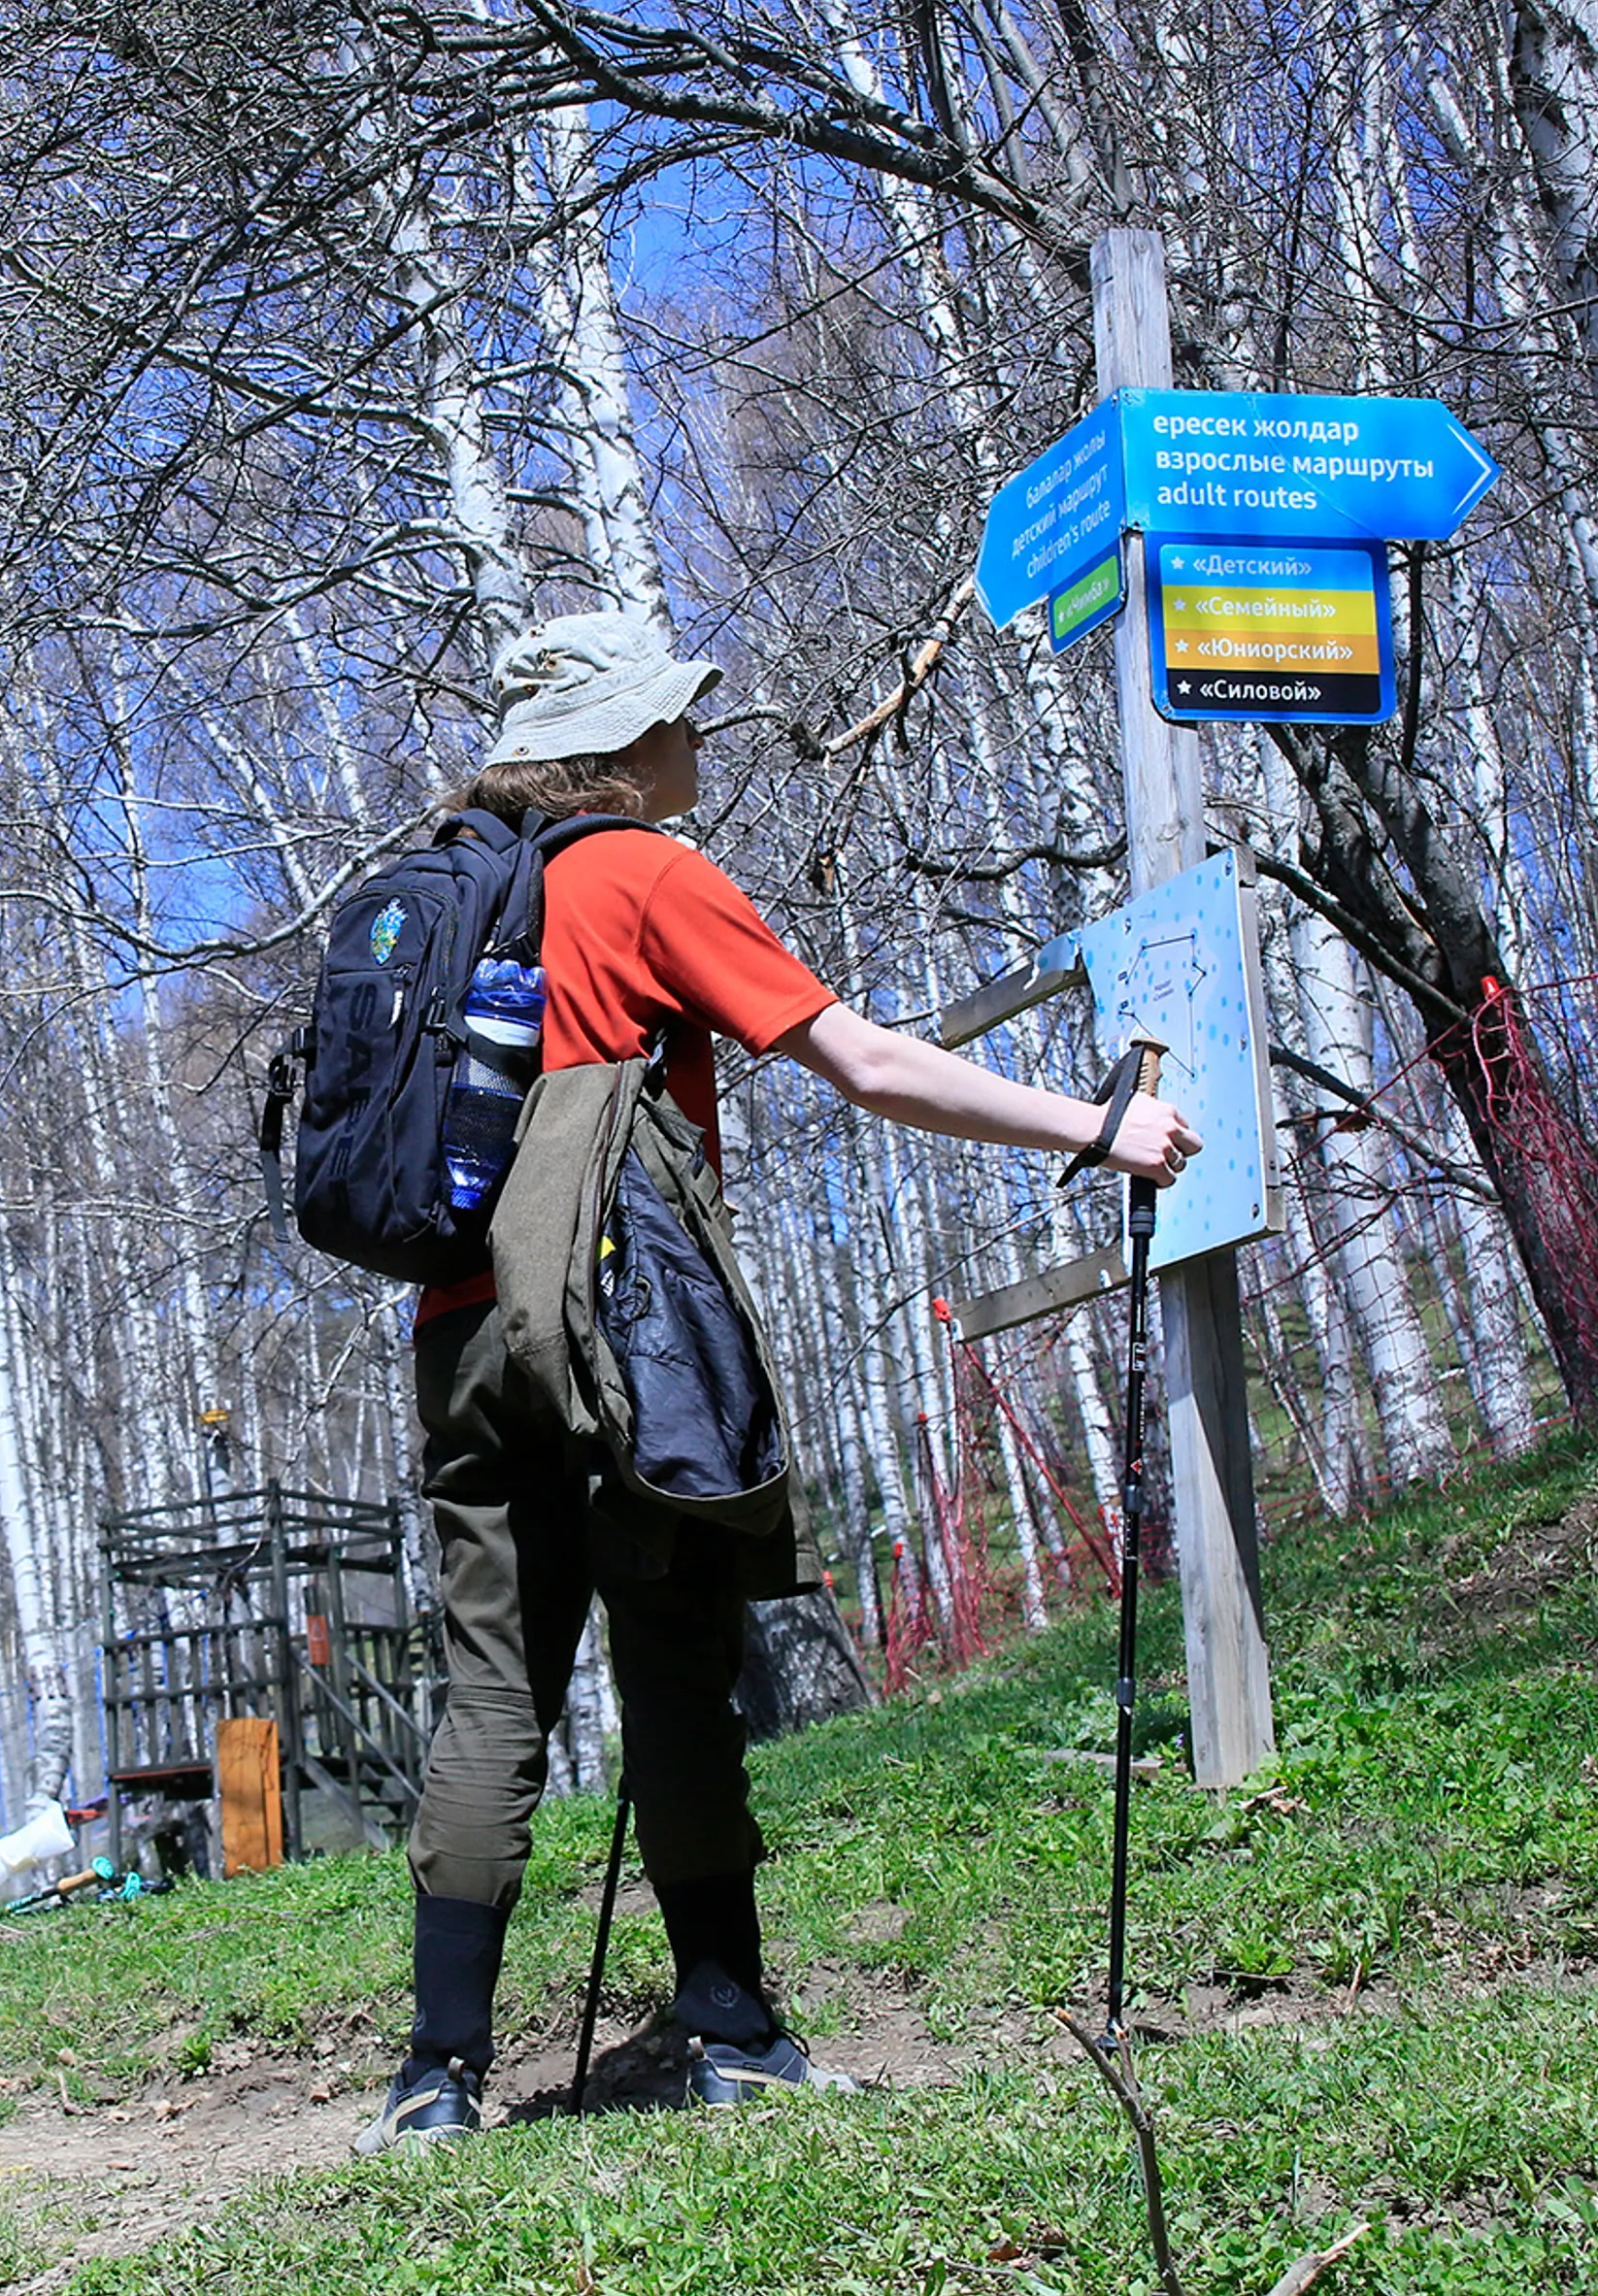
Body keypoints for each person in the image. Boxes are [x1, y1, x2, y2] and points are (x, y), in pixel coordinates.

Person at [358, 607, 1198, 2153]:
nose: (697, 734)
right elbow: (864, 1061)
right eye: (674, 715)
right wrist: (1094, 1126)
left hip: (462, 1336)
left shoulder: (452, 890)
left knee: (494, 1688)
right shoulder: (638, 870)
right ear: (615, 746)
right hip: (610, 1326)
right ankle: (734, 2033)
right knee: (677, 1665)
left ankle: (434, 2080)